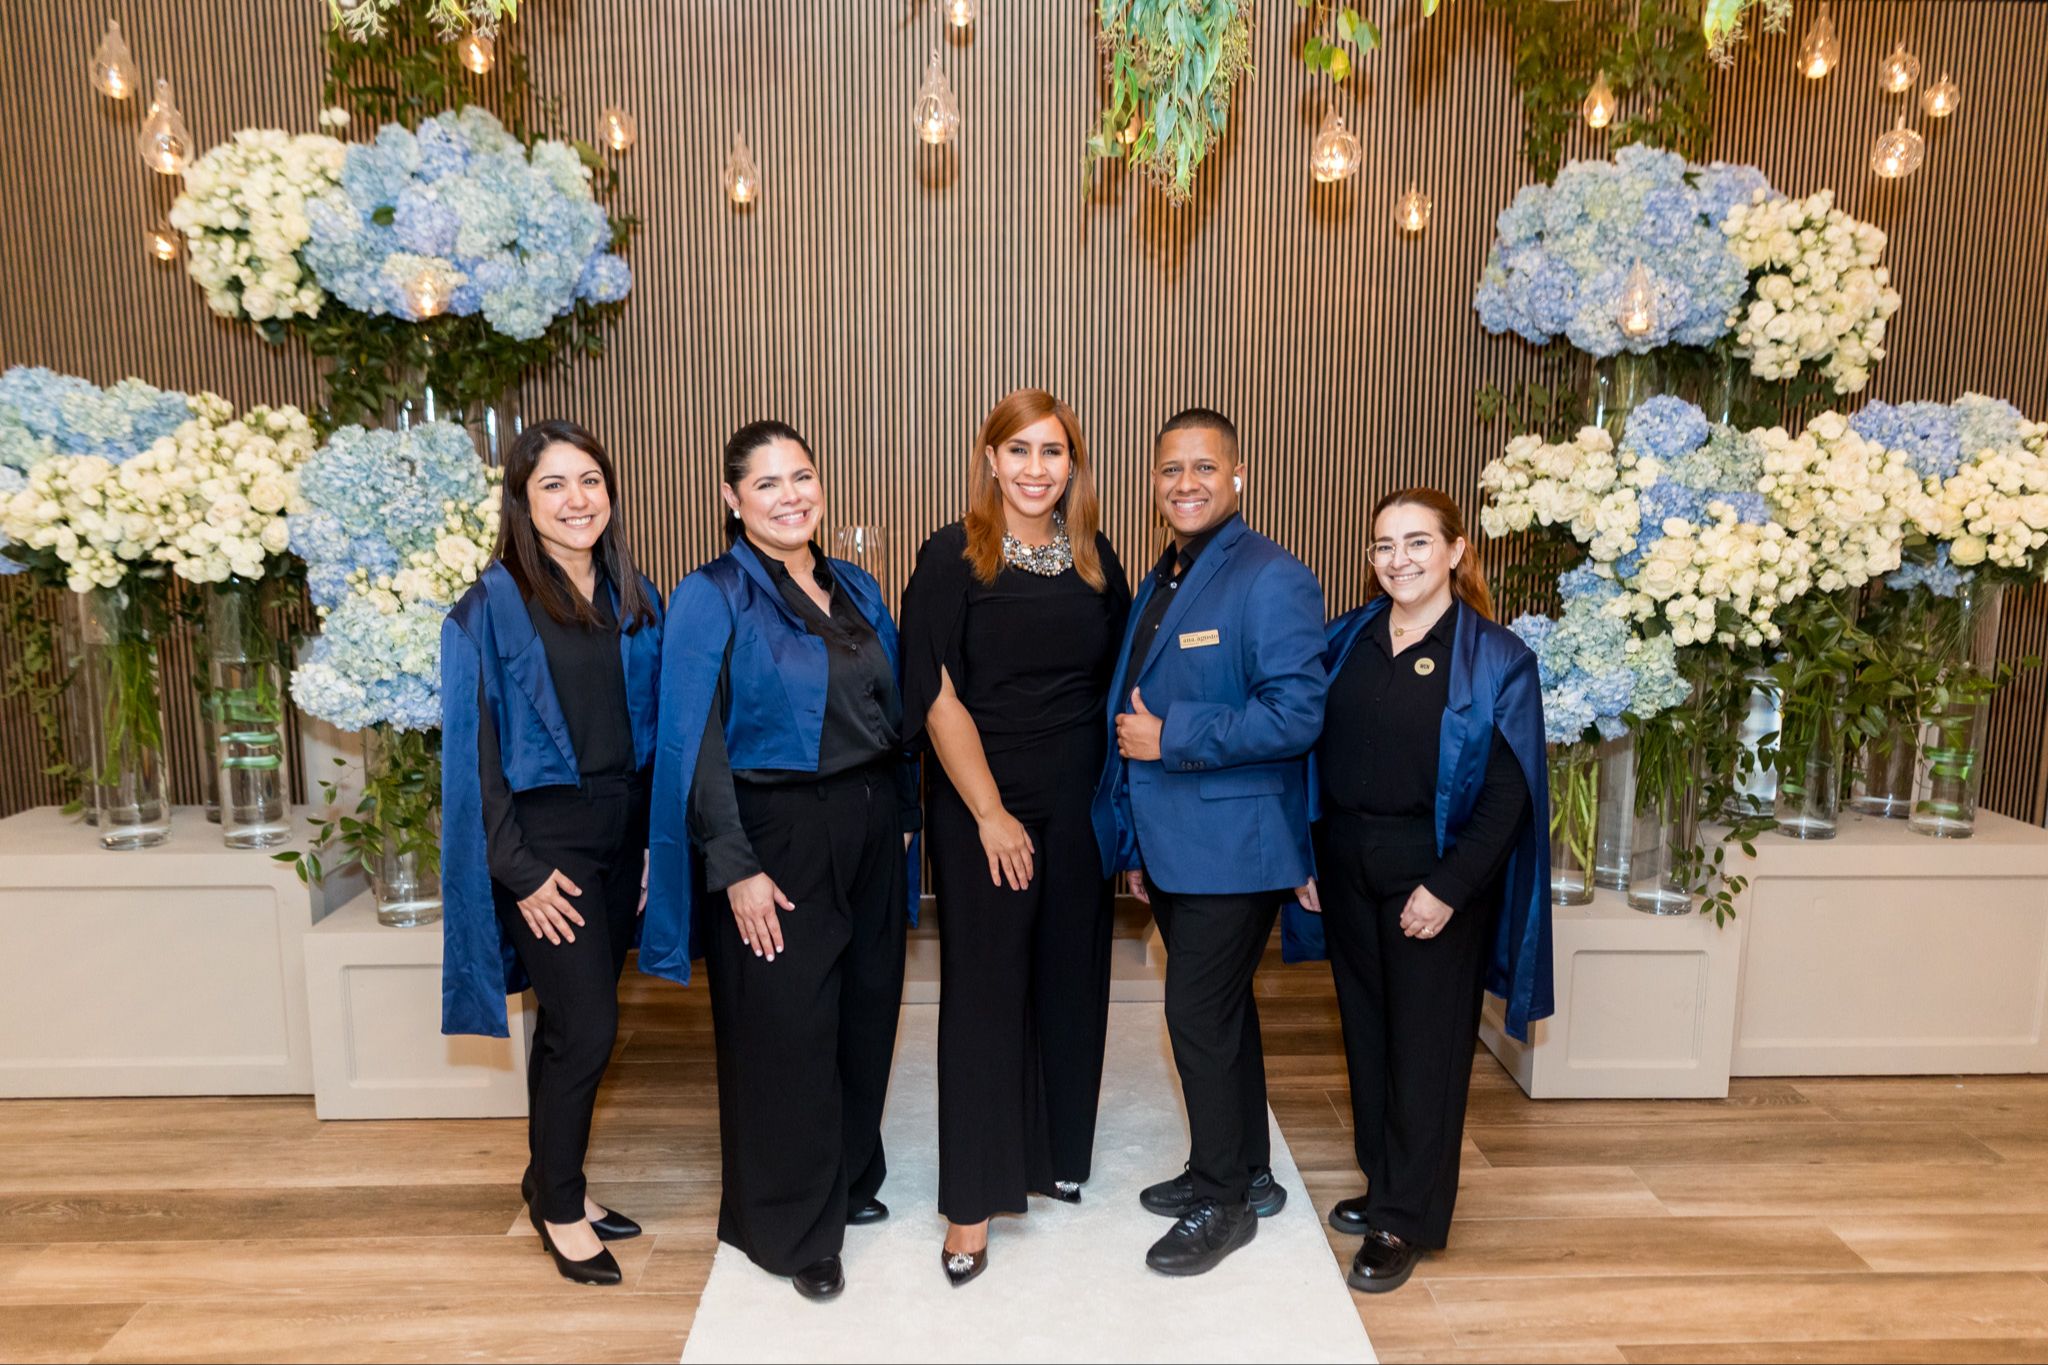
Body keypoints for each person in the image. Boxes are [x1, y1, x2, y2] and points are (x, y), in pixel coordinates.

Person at [640, 420, 919, 1302]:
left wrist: (905, 817)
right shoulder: (710, 594)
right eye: (766, 483)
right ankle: (793, 1226)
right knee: (786, 1032)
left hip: (870, 821)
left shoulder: (855, 584)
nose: (790, 495)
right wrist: (735, 864)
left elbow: (895, 710)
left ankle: (846, 1176)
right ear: (732, 500)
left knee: (866, 1007)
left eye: (801, 476)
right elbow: (693, 739)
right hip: (774, 832)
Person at [1283, 487, 1552, 1294]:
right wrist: (1305, 853)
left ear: (1457, 550)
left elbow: (1508, 794)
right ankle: (1384, 1182)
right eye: (1383, 545)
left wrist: (1447, 887)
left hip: (1434, 870)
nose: (1397, 560)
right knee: (1368, 1035)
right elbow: (1306, 750)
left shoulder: (1497, 658)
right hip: (1345, 861)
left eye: (1417, 542)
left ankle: (1408, 1216)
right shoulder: (1348, 638)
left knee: (1426, 1047)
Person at [900, 389, 1132, 1288]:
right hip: (981, 801)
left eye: (1054, 451)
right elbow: (934, 693)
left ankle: (1057, 1152)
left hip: (1078, 802)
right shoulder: (952, 554)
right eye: (1020, 450)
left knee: (1073, 975)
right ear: (989, 458)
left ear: (1074, 464)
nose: (1038, 468)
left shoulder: (1095, 556)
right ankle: (971, 1202)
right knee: (986, 995)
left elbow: (1120, 684)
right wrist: (992, 813)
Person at [1090, 407, 1328, 1277]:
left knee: (1196, 1012)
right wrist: (1138, 842)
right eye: (1170, 469)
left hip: (1238, 845)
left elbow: (1297, 714)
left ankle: (1223, 1202)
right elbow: (1131, 708)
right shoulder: (1164, 577)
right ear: (1153, 483)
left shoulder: (1272, 576)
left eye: (1203, 467)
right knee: (1223, 1011)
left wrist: (1174, 735)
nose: (1185, 482)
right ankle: (1244, 1168)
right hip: (1177, 844)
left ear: (1238, 476)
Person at [440, 419, 666, 1287]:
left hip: (619, 836)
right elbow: (475, 759)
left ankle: (549, 1177)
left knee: (569, 1027)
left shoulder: (634, 596)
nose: (577, 500)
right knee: (589, 1027)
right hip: (546, 849)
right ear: (521, 502)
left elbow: (659, 736)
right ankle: (561, 1209)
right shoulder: (490, 607)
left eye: (590, 480)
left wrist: (652, 846)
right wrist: (521, 869)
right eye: (553, 485)